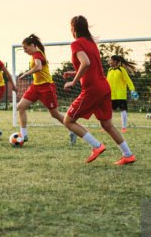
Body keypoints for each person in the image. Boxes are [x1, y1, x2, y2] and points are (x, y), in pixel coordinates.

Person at [62, 16, 136, 165]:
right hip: (104, 87)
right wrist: (73, 72)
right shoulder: (91, 43)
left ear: (73, 28)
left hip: (92, 89)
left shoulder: (76, 44)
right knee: (107, 124)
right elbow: (91, 66)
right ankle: (128, 155)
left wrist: (74, 81)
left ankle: (97, 146)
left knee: (68, 120)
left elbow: (86, 63)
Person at [15, 34, 65, 141]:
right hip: (36, 87)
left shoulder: (37, 54)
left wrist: (25, 74)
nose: (24, 50)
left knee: (55, 114)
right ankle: (24, 135)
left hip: (46, 87)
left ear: (32, 45)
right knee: (20, 107)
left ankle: (73, 128)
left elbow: (38, 67)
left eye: (25, 48)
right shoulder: (34, 56)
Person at [106, 55, 138, 131]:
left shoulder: (121, 70)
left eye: (111, 60)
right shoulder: (109, 70)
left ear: (116, 61)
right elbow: (107, 82)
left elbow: (128, 80)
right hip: (111, 95)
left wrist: (132, 90)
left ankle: (124, 128)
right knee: (109, 111)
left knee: (123, 110)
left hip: (121, 95)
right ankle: (108, 127)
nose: (110, 62)